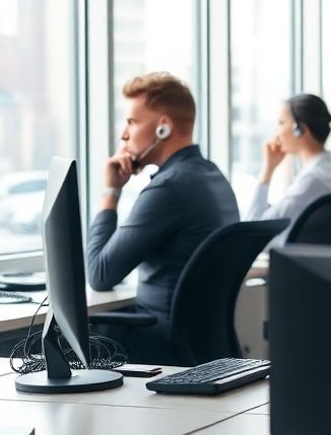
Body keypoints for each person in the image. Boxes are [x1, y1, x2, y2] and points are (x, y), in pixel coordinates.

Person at [87, 73, 239, 360]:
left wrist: (110, 192)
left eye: (132, 122)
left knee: (40, 343)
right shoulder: (212, 177)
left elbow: (99, 274)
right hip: (204, 348)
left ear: (163, 127)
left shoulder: (169, 188)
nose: (123, 135)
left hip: (158, 350)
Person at [247, 94, 331, 245]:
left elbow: (252, 234)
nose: (277, 131)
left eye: (281, 123)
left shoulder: (311, 182)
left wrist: (267, 170)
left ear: (300, 129)